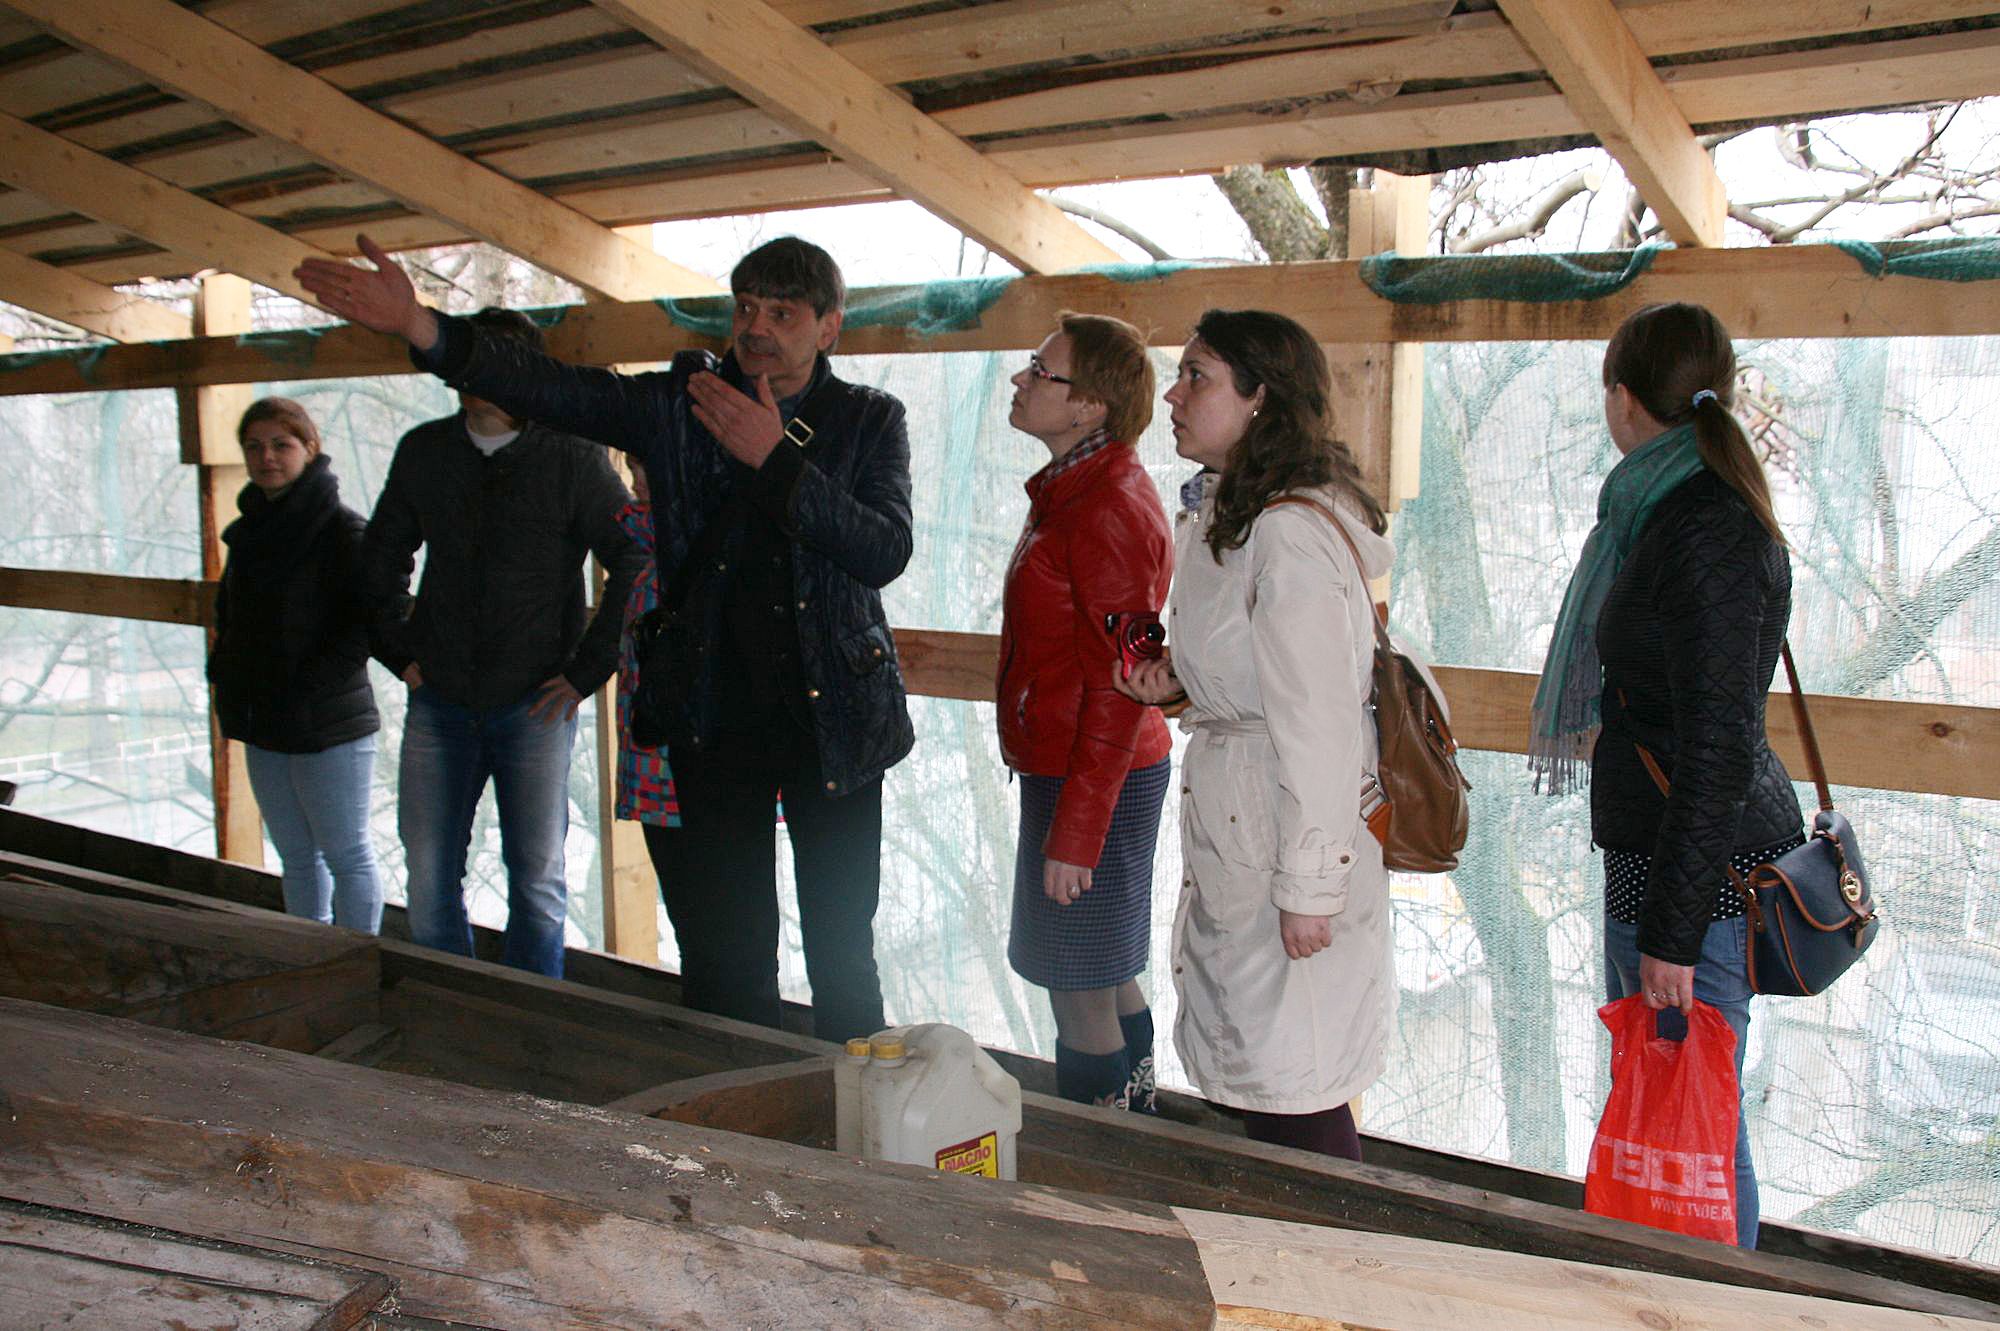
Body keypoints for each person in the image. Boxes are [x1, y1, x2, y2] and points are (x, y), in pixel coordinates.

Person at [298, 235, 914, 1043]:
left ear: (829, 327)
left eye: (783, 313)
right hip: (712, 721)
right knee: (727, 963)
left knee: (843, 954)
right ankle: (744, 1117)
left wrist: (776, 461)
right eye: (746, 308)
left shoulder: (870, 419)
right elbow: (555, 389)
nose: (757, 327)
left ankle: (861, 1121)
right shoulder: (681, 404)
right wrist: (425, 328)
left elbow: (884, 549)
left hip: (833, 723)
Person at [1531, 301, 1800, 1248]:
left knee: (1697, 1127)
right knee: (1679, 1118)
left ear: (1623, 398)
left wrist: (1674, 935)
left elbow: (1717, 747)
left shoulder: (1702, 523)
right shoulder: (1670, 507)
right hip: (1668, 860)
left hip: (1698, 882)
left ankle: (1714, 1300)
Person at [1117, 309, 1394, 1160]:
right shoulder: (1233, 514)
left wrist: (1310, 885)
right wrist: (1183, 681)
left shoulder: (1287, 532)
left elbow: (1319, 720)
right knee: (1272, 1083)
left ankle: (1331, 1240)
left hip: (1285, 832)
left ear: (1260, 398)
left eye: (1196, 376)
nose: (1173, 394)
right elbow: (1256, 670)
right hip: (1249, 821)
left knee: (1294, 1088)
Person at [358, 307, 643, 979]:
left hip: (536, 702)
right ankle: (448, 1006)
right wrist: (399, 651)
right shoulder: (427, 451)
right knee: (428, 873)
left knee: (538, 880)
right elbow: (379, 558)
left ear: (527, 376)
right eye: (473, 363)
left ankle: (533, 1018)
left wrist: (587, 671)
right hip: (440, 698)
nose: (482, 380)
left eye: (500, 366)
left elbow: (633, 557)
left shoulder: (572, 456)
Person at [998, 313, 1173, 1111]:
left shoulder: (1106, 506)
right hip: (1080, 766)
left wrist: (1076, 832)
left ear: (1090, 405)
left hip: (1096, 771)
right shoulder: (1076, 489)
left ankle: (1103, 1155)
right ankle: (1140, 1123)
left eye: (1042, 371)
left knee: (1079, 990)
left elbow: (1119, 688)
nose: (1020, 379)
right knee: (1105, 970)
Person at [207, 397, 383, 933]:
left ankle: (357, 957)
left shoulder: (343, 531)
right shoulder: (248, 533)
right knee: (297, 856)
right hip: (264, 720)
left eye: (281, 445)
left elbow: (367, 625)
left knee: (346, 853)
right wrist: (227, 676)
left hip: (328, 723)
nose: (267, 458)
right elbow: (230, 616)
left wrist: (308, 686)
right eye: (254, 446)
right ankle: (308, 953)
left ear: (309, 448)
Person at [614, 467, 679, 834]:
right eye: (632, 466)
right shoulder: (651, 554)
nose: (636, 480)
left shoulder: (684, 556)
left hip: (686, 764)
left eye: (647, 466)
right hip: (651, 757)